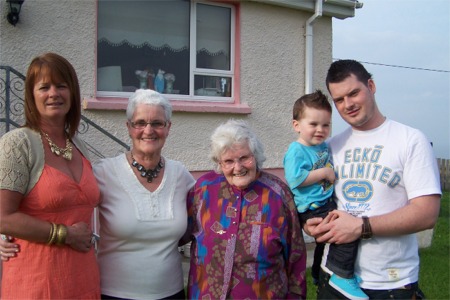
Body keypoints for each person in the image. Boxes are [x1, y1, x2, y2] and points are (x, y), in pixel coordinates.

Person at [305, 59, 441, 299]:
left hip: (391, 284)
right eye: (339, 100)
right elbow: (318, 198)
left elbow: (427, 213)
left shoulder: (410, 140)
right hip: (334, 280)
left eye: (354, 93)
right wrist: (312, 223)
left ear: (371, 86)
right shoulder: (331, 147)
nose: (348, 105)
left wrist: (361, 227)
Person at [0, 52, 101, 298]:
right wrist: (64, 234)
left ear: (72, 93)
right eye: (44, 87)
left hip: (83, 279)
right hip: (36, 282)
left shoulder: (78, 145)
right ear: (31, 96)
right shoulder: (17, 143)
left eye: (61, 86)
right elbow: (3, 217)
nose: (53, 93)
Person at [184, 119, 307, 299]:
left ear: (255, 156)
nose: (238, 168)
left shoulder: (278, 194)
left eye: (244, 158)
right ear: (219, 163)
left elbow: (296, 255)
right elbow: (179, 231)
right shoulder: (203, 190)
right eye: (228, 161)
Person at [93, 89, 195, 299]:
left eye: (157, 123)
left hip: (171, 293)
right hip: (114, 293)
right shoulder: (104, 172)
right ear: (129, 128)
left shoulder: (180, 174)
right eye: (140, 123)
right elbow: (65, 204)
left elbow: (213, 205)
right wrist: (8, 234)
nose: (148, 130)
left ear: (168, 128)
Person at [283, 90, 367, 300]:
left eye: (326, 125)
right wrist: (325, 173)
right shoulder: (296, 150)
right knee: (347, 232)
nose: (320, 130)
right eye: (313, 124)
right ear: (297, 125)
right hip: (313, 207)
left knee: (325, 242)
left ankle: (318, 274)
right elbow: (295, 179)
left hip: (323, 200)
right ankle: (342, 275)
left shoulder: (321, 146)